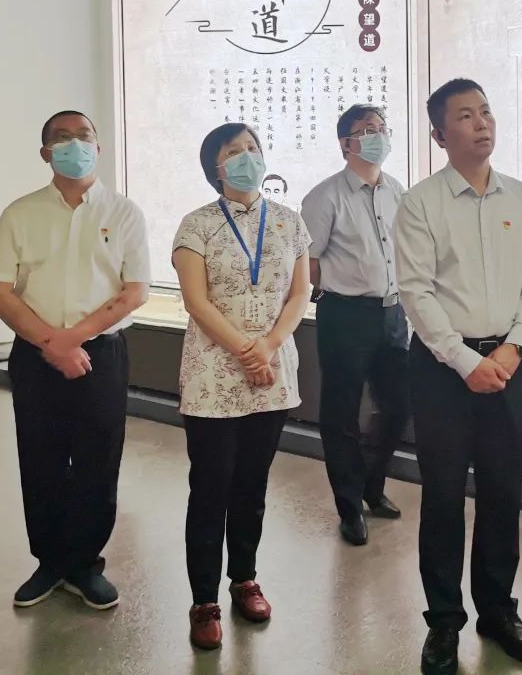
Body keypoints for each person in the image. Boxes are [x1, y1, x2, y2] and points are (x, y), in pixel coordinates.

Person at [395, 79, 522, 675]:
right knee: (442, 497)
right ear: (440, 135)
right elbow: (416, 292)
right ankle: (443, 622)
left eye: (485, 111)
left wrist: (515, 346)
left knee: (504, 493)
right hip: (442, 371)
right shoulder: (421, 203)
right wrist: (465, 361)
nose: (481, 123)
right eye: (465, 116)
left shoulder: (519, 196)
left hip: (507, 364)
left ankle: (498, 610)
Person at [0, 111, 150, 611]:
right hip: (33, 353)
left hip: (102, 352)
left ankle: (84, 564)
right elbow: (1, 290)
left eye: (84, 136)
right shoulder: (20, 213)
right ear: (45, 153)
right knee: (40, 458)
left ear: (98, 148)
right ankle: (50, 562)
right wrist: (51, 343)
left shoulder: (124, 212)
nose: (74, 145)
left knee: (97, 460)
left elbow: (135, 291)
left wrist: (73, 340)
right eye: (62, 138)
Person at [172, 123, 311, 650]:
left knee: (252, 486)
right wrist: (244, 350)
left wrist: (268, 346)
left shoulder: (289, 222)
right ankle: (203, 599)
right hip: (213, 374)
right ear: (216, 167)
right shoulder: (197, 225)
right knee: (211, 487)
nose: (247, 157)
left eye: (253, 148)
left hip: (271, 374)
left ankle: (244, 579)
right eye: (234, 151)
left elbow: (300, 293)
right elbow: (196, 301)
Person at [301, 104, 410, 546]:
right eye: (366, 130)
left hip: (393, 313)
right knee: (342, 413)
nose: (377, 136)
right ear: (346, 143)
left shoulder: (396, 191)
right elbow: (307, 262)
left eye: (382, 128)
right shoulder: (325, 196)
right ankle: (349, 506)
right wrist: (333, 291)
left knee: (399, 406)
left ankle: (372, 485)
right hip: (345, 314)